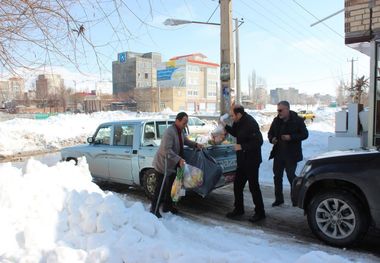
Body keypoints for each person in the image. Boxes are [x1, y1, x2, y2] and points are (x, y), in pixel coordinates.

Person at [150, 112, 202, 218]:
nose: (185, 125)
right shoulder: (169, 132)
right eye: (184, 123)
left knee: (172, 187)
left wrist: (196, 144)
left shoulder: (180, 130)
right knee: (160, 188)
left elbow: (185, 141)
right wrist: (178, 159)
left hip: (174, 164)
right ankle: (154, 209)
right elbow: (166, 150)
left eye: (186, 123)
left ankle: (167, 206)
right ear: (177, 121)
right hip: (163, 164)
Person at [221, 104, 266, 223]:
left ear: (239, 114)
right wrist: (225, 126)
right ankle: (239, 209)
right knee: (237, 185)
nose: (232, 117)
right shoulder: (238, 121)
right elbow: (236, 133)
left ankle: (260, 212)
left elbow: (259, 142)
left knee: (253, 186)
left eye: (233, 115)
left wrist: (242, 146)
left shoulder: (251, 123)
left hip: (252, 160)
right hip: (242, 160)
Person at [268, 101, 309, 207]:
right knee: (277, 177)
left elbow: (305, 134)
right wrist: (272, 139)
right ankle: (279, 199)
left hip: (291, 155)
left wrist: (291, 137)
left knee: (291, 177)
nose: (279, 112)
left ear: (287, 109)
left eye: (280, 110)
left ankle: (295, 199)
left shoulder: (297, 120)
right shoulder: (276, 120)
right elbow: (270, 133)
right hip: (278, 154)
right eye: (278, 110)